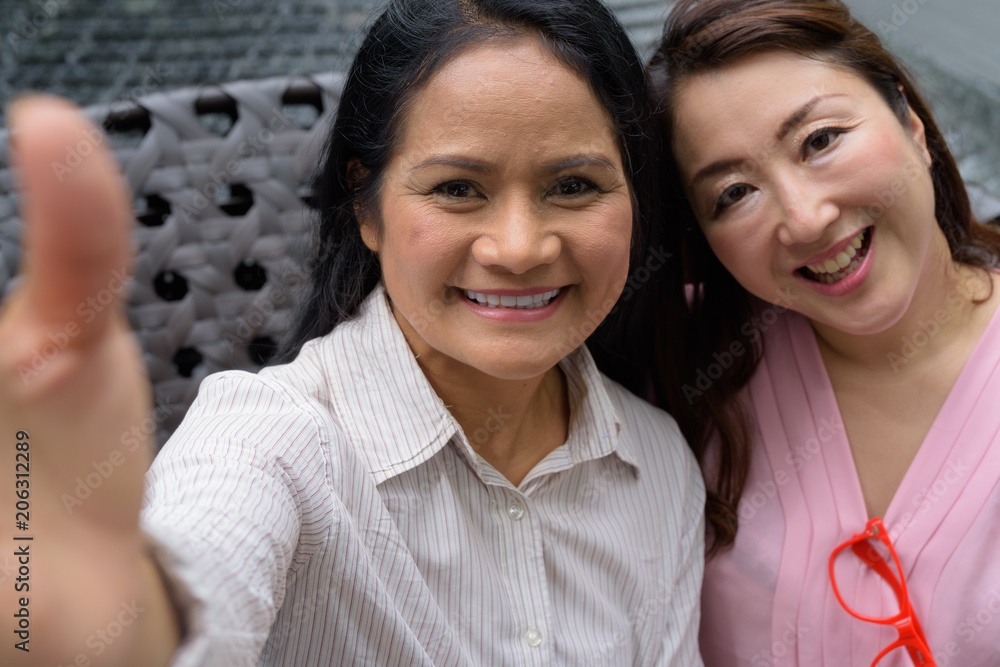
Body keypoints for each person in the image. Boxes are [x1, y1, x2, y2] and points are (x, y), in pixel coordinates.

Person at [0, 0, 706, 664]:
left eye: (574, 185)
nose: (518, 247)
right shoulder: (272, 439)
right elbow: (201, 573)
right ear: (366, 208)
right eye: (457, 188)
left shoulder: (659, 462)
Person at [646, 0, 1000, 665]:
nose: (804, 219)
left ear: (912, 122)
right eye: (734, 193)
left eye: (820, 140)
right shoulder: (677, 368)